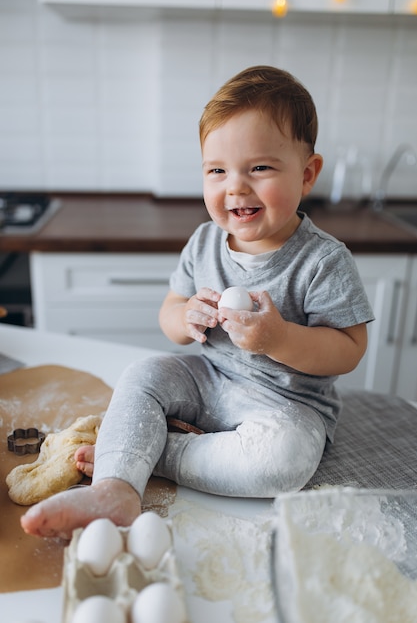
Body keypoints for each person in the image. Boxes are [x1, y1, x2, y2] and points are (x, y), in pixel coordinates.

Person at [21, 65, 374, 539]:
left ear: (307, 174)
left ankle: (157, 453)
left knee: (283, 462)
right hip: (209, 381)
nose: (235, 187)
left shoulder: (322, 260)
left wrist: (279, 338)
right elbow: (170, 313)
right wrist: (184, 317)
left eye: (260, 168)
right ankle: (117, 486)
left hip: (287, 405)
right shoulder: (206, 241)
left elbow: (350, 347)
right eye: (217, 170)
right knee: (144, 373)